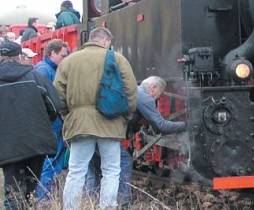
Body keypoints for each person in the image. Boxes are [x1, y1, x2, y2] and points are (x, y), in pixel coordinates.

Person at [54, 27, 137, 210]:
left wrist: (69, 114)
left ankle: (70, 207)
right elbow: (131, 91)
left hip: (79, 122)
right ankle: (107, 207)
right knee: (111, 170)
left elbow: (57, 93)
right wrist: (127, 116)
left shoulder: (69, 61)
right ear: (106, 41)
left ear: (90, 40)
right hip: (111, 122)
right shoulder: (117, 59)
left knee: (76, 171)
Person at [86, 76, 186, 206]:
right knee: (124, 161)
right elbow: (161, 126)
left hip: (91, 129)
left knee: (94, 168)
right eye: (158, 95)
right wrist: (186, 125)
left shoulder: (132, 91)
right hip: (105, 133)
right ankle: (123, 202)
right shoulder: (144, 97)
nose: (156, 99)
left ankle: (89, 202)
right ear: (153, 88)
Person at [0, 40, 64, 210]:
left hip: (7, 145)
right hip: (36, 141)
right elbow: (54, 107)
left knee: (12, 191)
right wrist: (40, 123)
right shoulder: (36, 76)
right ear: (19, 56)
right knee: (30, 188)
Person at [33, 39, 70, 200]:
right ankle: (43, 198)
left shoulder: (49, 69)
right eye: (63, 55)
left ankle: (47, 195)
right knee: (50, 160)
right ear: (52, 53)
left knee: (55, 160)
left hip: (53, 121)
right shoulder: (43, 70)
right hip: (51, 123)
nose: (65, 59)